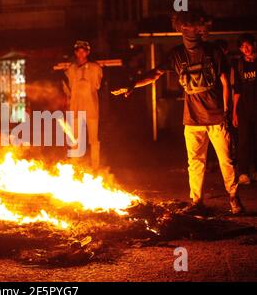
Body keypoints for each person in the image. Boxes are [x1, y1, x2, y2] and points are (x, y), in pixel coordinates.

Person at [112, 11, 245, 214]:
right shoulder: (176, 54)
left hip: (216, 117)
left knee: (226, 160)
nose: (188, 32)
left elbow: (226, 82)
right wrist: (133, 84)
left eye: (192, 28)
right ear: (180, 29)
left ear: (200, 30)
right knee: (195, 163)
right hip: (192, 120)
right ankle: (197, 201)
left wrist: (226, 112)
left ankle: (234, 198)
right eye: (184, 28)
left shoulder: (213, 52)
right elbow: (156, 74)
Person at [63, 40, 103, 170]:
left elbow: (97, 84)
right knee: (74, 138)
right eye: (78, 51)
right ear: (75, 53)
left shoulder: (95, 68)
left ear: (87, 52)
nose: (81, 54)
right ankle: (75, 166)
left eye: (83, 51)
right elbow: (70, 87)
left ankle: (95, 166)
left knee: (93, 140)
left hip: (91, 107)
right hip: (75, 107)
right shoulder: (71, 69)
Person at [232, 34, 257, 185]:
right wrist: (234, 111)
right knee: (243, 141)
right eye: (242, 47)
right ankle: (243, 172)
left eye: (247, 45)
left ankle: (255, 171)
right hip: (243, 108)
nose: (245, 49)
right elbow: (237, 89)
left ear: (253, 44)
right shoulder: (238, 64)